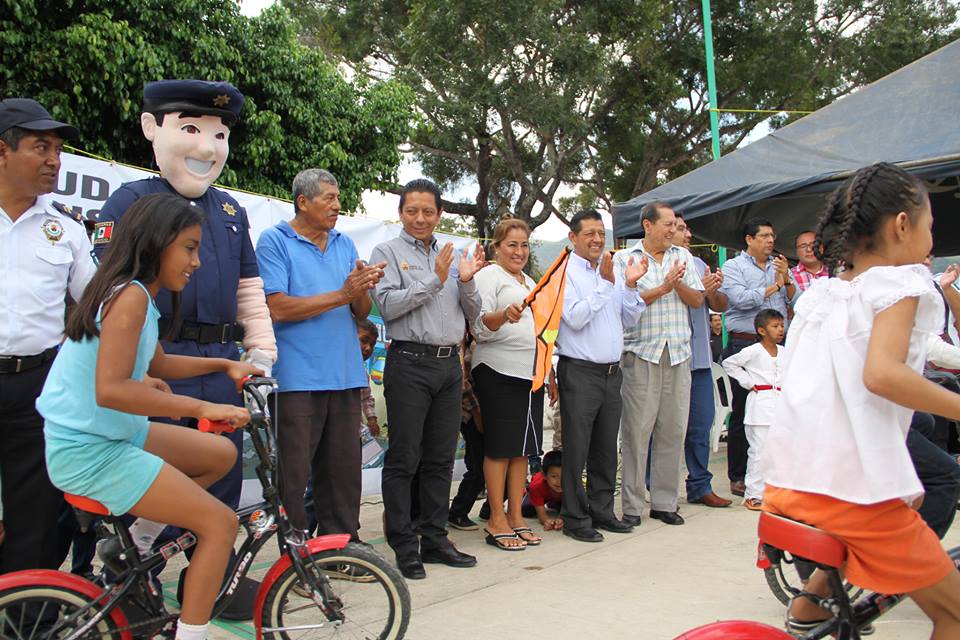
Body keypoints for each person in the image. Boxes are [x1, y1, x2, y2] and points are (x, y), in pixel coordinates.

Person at [37, 193, 259, 640]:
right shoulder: (131, 298)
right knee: (220, 524)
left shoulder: (138, 294)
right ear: (156, 243)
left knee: (218, 455)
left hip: (108, 435)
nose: (197, 261)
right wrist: (201, 406)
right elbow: (112, 389)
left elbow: (157, 365)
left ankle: (133, 546)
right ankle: (192, 634)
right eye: (190, 248)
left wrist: (224, 364)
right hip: (91, 449)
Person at [94, 81, 275, 617]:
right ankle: (129, 581)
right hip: (158, 364)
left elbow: (249, 288)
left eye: (218, 135)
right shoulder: (132, 201)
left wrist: (261, 351)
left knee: (221, 477)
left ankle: (212, 582)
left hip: (219, 364)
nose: (206, 147)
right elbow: (110, 287)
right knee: (155, 477)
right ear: (154, 130)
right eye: (190, 129)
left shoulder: (229, 210)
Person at [762, 162, 960, 636]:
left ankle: (813, 599)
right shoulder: (901, 284)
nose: (932, 240)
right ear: (902, 225)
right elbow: (882, 374)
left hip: (790, 485)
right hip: (846, 501)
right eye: (931, 225)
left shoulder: (824, 296)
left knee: (907, 493)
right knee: (955, 612)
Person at [256, 168, 385, 544]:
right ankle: (293, 557)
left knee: (343, 473)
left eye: (338, 198)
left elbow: (361, 311)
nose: (337, 206)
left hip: (344, 374)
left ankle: (342, 547)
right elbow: (277, 307)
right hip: (297, 378)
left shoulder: (343, 243)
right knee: (293, 476)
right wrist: (344, 294)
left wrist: (362, 287)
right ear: (302, 202)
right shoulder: (274, 241)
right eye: (328, 198)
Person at [0, 98, 96, 575]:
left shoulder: (66, 229)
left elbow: (102, 303)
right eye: (41, 147)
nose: (54, 160)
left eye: (58, 149)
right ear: (3, 151)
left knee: (34, 516)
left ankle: (27, 617)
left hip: (37, 386)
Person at [371, 178, 484, 580]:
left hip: (448, 366)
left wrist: (467, 280)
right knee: (404, 458)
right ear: (400, 213)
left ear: (440, 214)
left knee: (440, 459)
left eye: (428, 211)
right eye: (412, 210)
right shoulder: (386, 251)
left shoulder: (453, 254)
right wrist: (434, 278)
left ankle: (434, 539)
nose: (420, 218)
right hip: (409, 362)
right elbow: (387, 307)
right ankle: (403, 543)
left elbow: (472, 312)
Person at [556, 209, 648, 543]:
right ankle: (575, 517)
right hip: (579, 371)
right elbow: (576, 318)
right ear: (573, 238)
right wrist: (606, 287)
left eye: (600, 234)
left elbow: (628, 319)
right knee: (577, 448)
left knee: (606, 448)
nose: (597, 240)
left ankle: (602, 510)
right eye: (589, 234)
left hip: (612, 372)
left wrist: (630, 286)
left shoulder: (609, 272)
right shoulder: (565, 273)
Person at [615, 203, 704, 526]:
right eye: (667, 224)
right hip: (642, 354)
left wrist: (676, 284)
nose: (672, 230)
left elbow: (697, 300)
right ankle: (633, 507)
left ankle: (665, 503)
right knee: (637, 433)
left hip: (678, 353)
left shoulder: (683, 258)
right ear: (648, 225)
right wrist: (663, 287)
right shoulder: (625, 259)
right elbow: (625, 304)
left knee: (673, 430)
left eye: (675, 225)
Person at [471, 218, 544, 550]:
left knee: (522, 450)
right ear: (496, 247)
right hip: (497, 370)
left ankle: (516, 515)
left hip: (529, 373)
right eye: (512, 244)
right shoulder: (488, 276)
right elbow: (479, 326)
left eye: (524, 244)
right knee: (501, 448)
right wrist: (504, 315)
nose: (519, 251)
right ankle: (495, 517)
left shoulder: (529, 280)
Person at [718, 218, 797, 497]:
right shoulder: (733, 267)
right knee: (743, 413)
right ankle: (739, 476)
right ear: (749, 239)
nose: (770, 241)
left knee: (779, 410)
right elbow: (740, 300)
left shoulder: (779, 265)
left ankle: (774, 474)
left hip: (777, 345)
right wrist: (774, 286)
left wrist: (785, 280)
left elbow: (793, 301)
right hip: (745, 344)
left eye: (772, 236)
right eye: (764, 236)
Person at [674, 213, 732, 508]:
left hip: (700, 360)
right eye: (681, 228)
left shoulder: (699, 265)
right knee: (666, 428)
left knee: (702, 424)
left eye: (686, 228)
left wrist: (711, 289)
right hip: (672, 359)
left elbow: (720, 305)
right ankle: (652, 485)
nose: (686, 234)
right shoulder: (659, 265)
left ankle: (700, 485)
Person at [721, 309, 784, 510]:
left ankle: (772, 493)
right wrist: (748, 382)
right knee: (758, 452)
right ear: (761, 330)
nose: (780, 330)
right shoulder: (753, 350)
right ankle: (753, 494)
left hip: (780, 403)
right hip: (760, 404)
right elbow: (729, 363)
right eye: (775, 326)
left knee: (777, 452)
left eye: (781, 325)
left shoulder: (785, 351)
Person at [447, 330, 486, 532]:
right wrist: (477, 413)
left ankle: (486, 510)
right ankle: (458, 512)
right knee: (478, 468)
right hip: (470, 414)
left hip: (479, 411)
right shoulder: (465, 343)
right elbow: (465, 385)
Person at [521, 449, 563, 530]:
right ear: (544, 475)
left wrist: (561, 519)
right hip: (538, 492)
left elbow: (567, 511)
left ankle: (553, 502)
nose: (559, 482)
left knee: (572, 508)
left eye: (563, 476)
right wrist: (547, 521)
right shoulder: (537, 486)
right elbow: (542, 515)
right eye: (554, 476)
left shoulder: (570, 485)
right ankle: (526, 491)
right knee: (525, 510)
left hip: (555, 496)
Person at [357, 319, 382, 437]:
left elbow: (366, 398)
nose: (368, 348)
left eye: (372, 345)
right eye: (364, 341)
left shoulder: (362, 373)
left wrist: (371, 419)